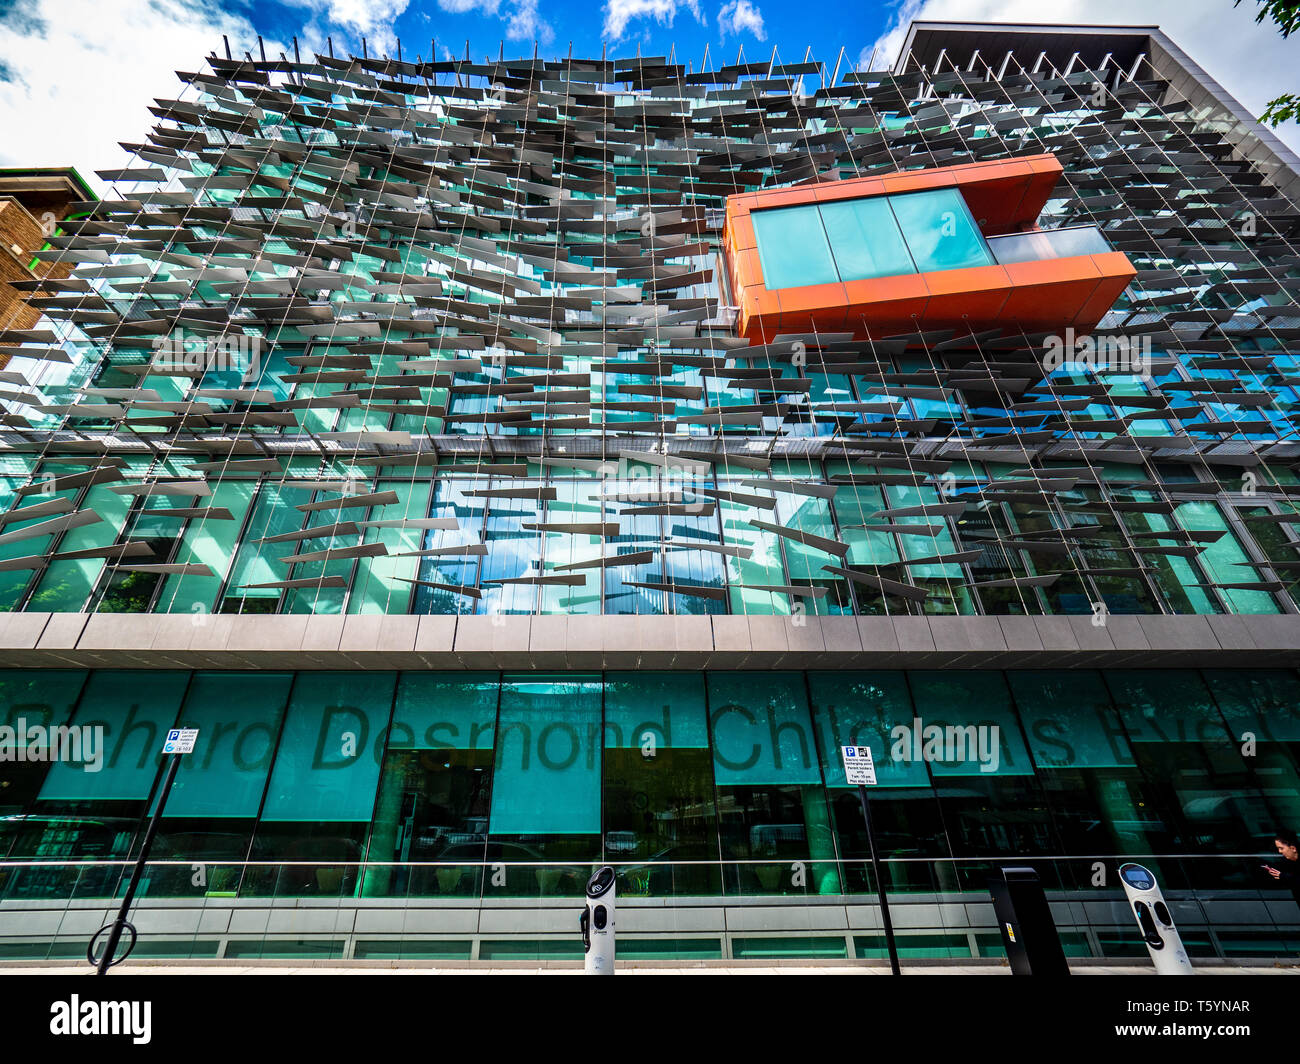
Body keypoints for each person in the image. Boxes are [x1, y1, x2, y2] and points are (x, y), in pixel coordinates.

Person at [1263, 829, 1300, 907]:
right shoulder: (1288, 862)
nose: (1279, 851)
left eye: (1281, 848)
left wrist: (1283, 876)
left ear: (1293, 848)